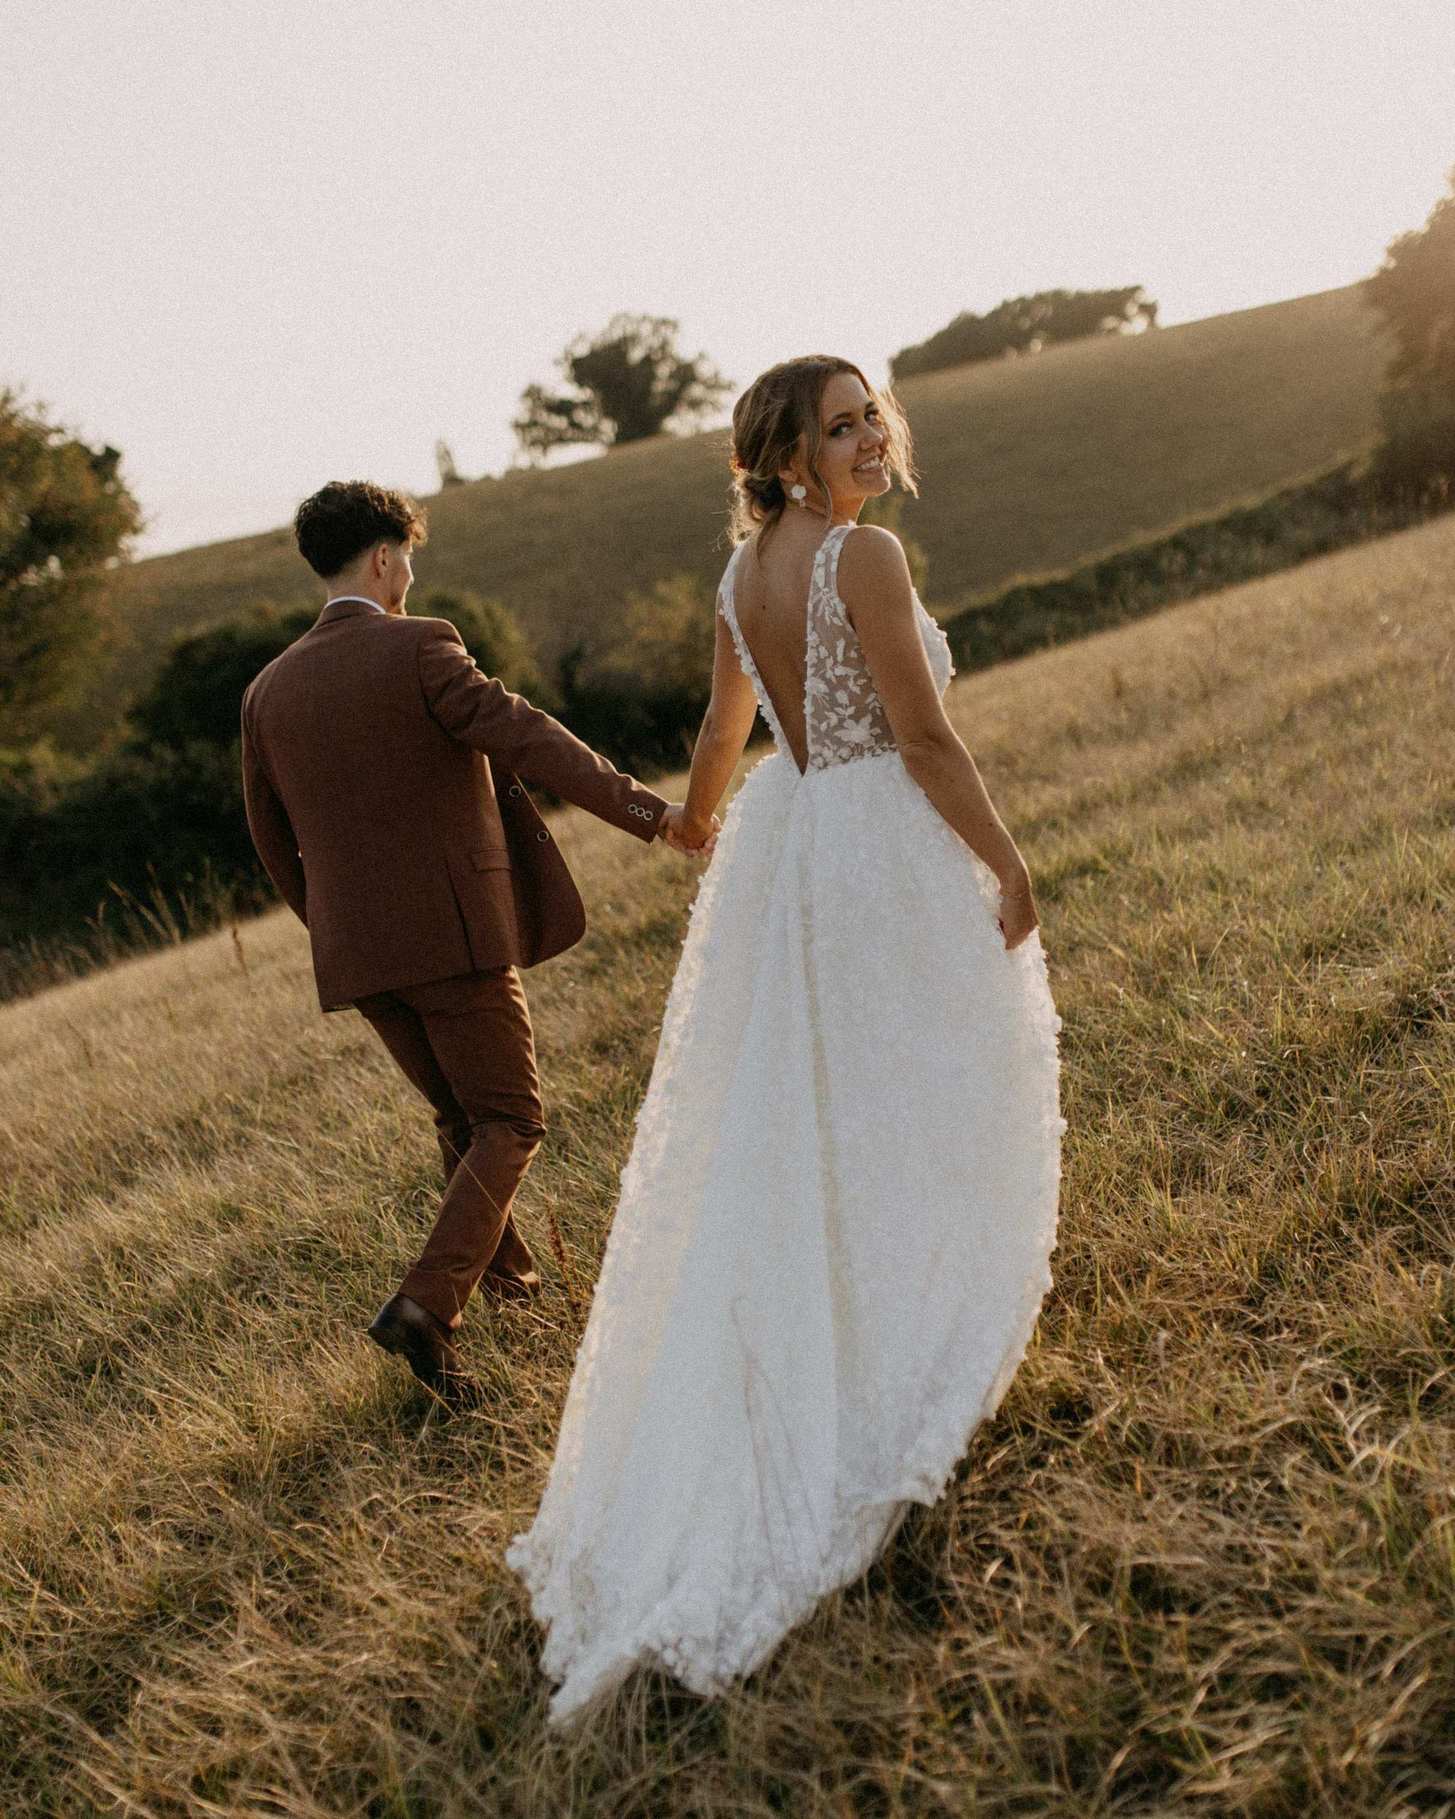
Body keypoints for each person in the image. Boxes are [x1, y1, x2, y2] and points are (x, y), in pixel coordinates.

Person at [505, 356, 1066, 1726]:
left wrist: (699, 822)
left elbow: (723, 725)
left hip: (794, 841)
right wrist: (1006, 861)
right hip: (876, 840)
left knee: (826, 1108)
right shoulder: (858, 555)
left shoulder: (738, 573)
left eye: (871, 411)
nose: (869, 436)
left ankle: (851, 1302)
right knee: (919, 1086)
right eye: (839, 425)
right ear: (791, 453)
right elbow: (924, 739)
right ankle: (904, 1331)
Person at [240, 480, 713, 1412]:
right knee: (511, 1120)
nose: (410, 576)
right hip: (454, 939)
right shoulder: (421, 645)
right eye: (406, 558)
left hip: (359, 957)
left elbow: (270, 838)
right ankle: (427, 1302)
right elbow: (527, 736)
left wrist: (339, 928)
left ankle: (517, 1297)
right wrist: (648, 812)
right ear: (383, 557)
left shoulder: (266, 692)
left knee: (461, 1123)